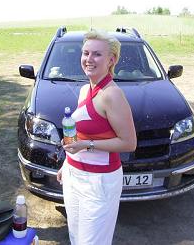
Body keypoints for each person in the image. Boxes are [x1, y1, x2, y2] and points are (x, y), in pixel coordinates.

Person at [57, 30, 137, 244]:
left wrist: (86, 145)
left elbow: (129, 143)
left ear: (111, 59)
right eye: (85, 53)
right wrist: (67, 163)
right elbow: (78, 133)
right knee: (75, 236)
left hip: (99, 181)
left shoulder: (112, 95)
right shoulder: (84, 90)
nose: (88, 59)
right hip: (74, 175)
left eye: (97, 54)